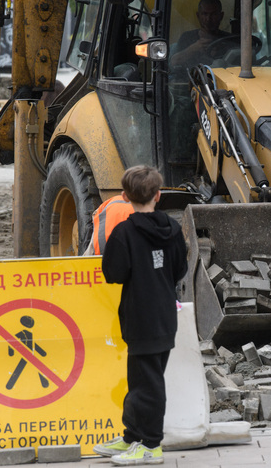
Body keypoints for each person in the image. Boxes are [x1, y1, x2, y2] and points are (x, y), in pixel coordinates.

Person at [93, 166, 187, 466]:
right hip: (165, 316)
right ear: (158, 196)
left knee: (148, 385)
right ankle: (132, 436)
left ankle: (150, 446)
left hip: (139, 316)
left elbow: (113, 274)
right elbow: (180, 269)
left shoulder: (124, 233)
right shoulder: (174, 230)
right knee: (142, 380)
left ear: (124, 196)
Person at [168, 0, 234, 69]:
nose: (208, 19)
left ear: (221, 16)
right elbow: (174, 62)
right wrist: (193, 49)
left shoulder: (230, 40)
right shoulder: (187, 38)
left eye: (213, 14)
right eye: (205, 14)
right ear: (198, 16)